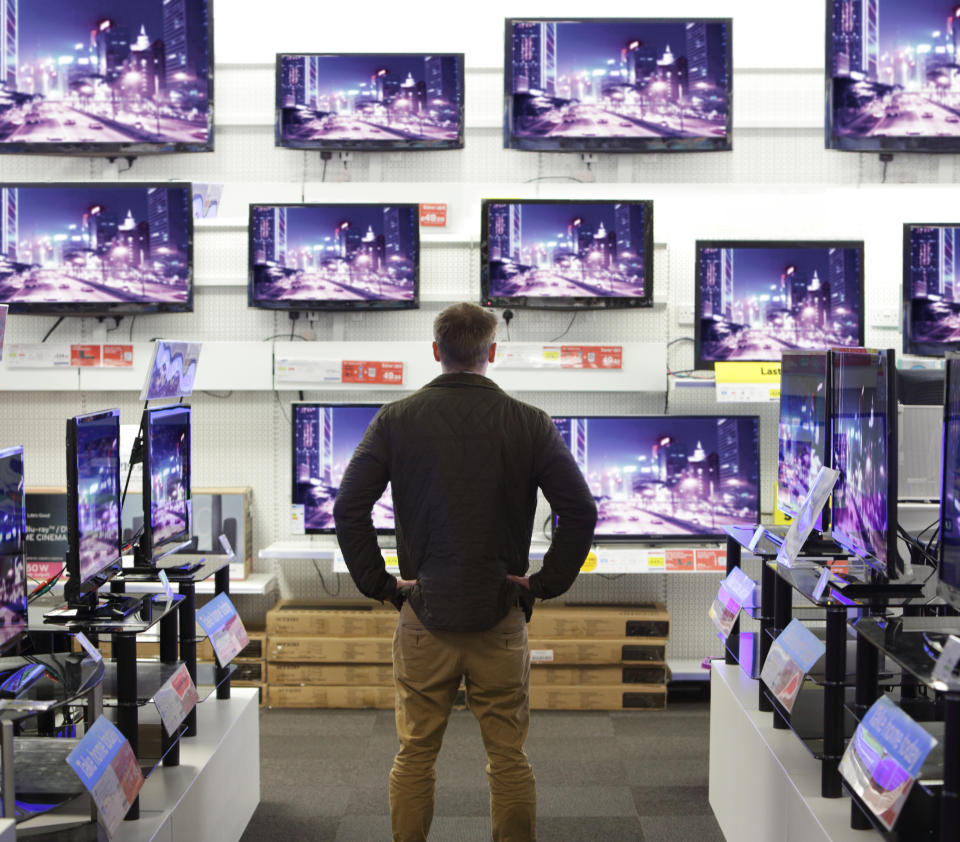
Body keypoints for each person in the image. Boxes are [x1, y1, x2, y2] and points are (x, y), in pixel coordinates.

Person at [333, 302, 597, 842]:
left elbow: (348, 507)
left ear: (436, 352)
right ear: (491, 353)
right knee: (508, 758)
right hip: (499, 614)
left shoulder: (396, 419)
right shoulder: (529, 422)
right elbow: (581, 510)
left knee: (414, 755)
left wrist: (381, 586)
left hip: (423, 616)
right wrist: (544, 584)